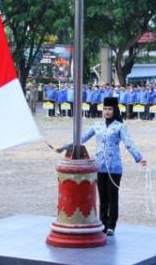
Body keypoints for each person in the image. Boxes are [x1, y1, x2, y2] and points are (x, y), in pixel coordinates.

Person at [56, 97, 147, 236]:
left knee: (112, 197)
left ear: (115, 110)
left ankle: (111, 225)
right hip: (99, 167)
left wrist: (139, 158)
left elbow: (129, 143)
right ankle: (103, 223)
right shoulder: (97, 125)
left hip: (114, 168)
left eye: (110, 109)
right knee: (103, 197)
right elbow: (82, 138)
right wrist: (64, 147)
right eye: (105, 109)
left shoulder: (120, 126)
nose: (107, 112)